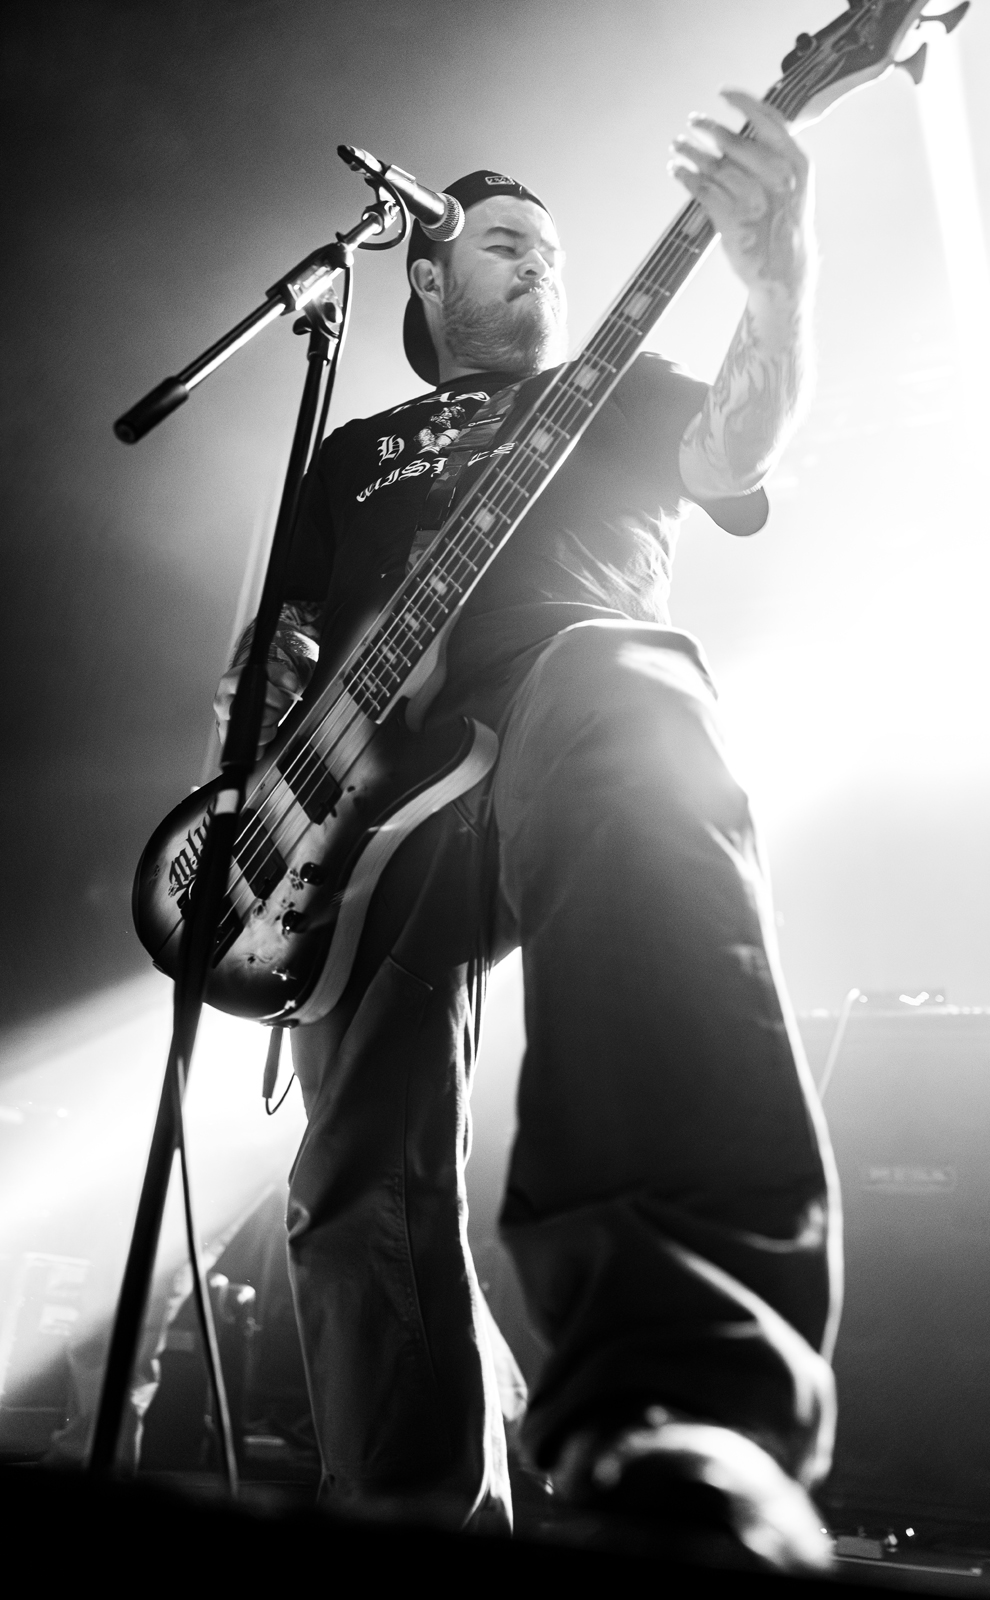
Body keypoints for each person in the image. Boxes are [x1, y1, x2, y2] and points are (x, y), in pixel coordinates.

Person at [214, 92, 841, 1572]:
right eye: (502, 243)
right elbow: (273, 651)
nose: (537, 264)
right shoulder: (351, 453)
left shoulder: (613, 382)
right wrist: (258, 767)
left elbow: (735, 450)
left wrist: (779, 278)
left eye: (551, 250)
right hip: (360, 809)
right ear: (427, 277)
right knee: (356, 1178)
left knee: (633, 689)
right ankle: (409, 1509)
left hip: (557, 694)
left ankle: (690, 1409)